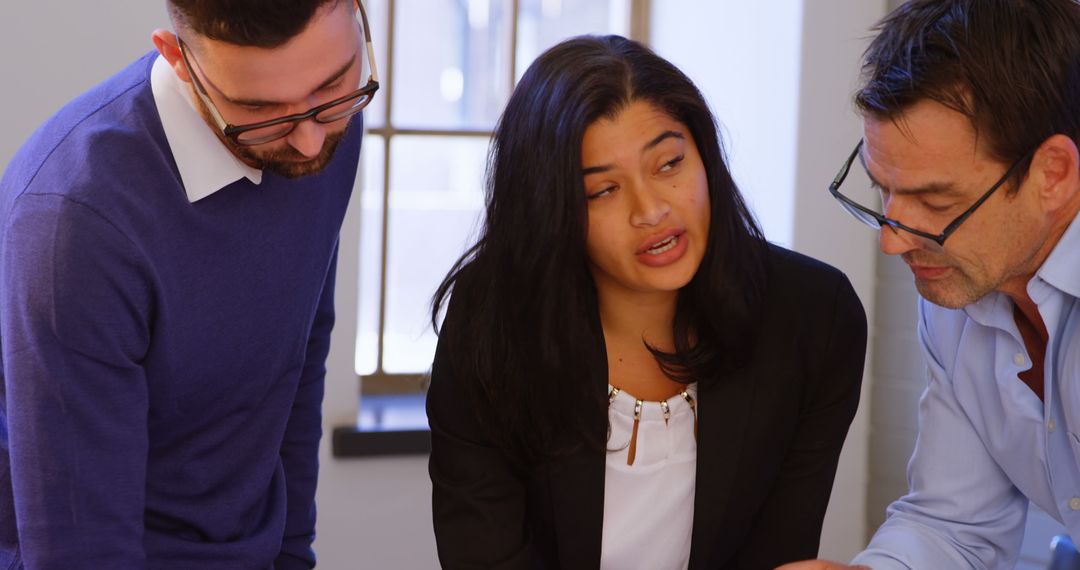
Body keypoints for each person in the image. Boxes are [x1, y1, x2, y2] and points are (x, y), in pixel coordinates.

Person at [426, 34, 867, 569]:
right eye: (603, 191)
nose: (651, 210)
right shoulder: (491, 322)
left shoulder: (814, 318)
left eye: (668, 164)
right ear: (553, 210)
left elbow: (779, 554)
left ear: (704, 155)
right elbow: (485, 556)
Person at [0, 0, 377, 567]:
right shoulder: (73, 222)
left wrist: (294, 555)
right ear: (177, 58)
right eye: (260, 111)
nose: (307, 143)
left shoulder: (327, 122)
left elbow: (297, 364)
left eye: (334, 86)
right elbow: (79, 544)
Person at [778, 1, 1080, 569]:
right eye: (883, 190)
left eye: (937, 202)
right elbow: (955, 526)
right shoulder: (961, 291)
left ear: (1054, 175)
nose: (893, 242)